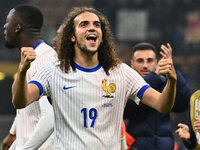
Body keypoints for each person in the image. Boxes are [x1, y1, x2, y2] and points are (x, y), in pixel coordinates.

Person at [11, 6, 177, 149]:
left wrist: (172, 81)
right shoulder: (52, 71)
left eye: (97, 25)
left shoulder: (122, 73)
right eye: (84, 24)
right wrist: (22, 71)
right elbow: (20, 101)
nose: (92, 28)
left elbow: (162, 104)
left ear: (102, 36)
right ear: (72, 36)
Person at [2, 4, 57, 150]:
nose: (4, 26)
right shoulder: (31, 57)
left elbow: (51, 117)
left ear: (17, 27)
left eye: (8, 22)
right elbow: (28, 106)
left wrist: (25, 148)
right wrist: (14, 134)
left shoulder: (45, 60)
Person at [123, 42, 191, 150]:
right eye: (140, 61)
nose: (145, 65)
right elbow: (128, 107)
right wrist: (154, 76)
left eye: (149, 60)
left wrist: (172, 70)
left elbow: (182, 104)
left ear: (156, 62)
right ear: (132, 64)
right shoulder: (125, 83)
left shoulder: (164, 84)